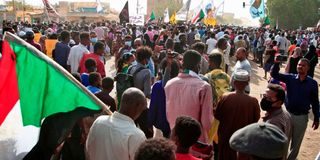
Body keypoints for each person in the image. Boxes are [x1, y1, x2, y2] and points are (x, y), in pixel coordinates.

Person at [271, 58, 319, 160]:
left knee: (296, 144)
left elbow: (315, 102)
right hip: (287, 115)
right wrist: (276, 63)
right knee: (283, 140)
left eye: (303, 65)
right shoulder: (290, 78)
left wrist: (316, 118)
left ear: (308, 68)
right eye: (298, 65)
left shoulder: (313, 83)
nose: (300, 67)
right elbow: (275, 75)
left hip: (301, 118)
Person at [165, 50, 213, 144]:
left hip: (175, 138)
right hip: (196, 141)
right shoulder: (204, 86)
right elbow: (206, 121)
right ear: (198, 65)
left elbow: (168, 113)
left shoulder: (170, 84)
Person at [86, 88, 147, 160]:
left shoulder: (99, 121)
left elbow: (88, 150)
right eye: (143, 109)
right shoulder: (137, 135)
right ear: (138, 106)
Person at [215, 69, 260, 160]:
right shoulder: (253, 101)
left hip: (226, 139)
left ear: (234, 82)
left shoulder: (225, 97)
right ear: (247, 83)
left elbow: (217, 116)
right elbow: (255, 120)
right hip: (243, 141)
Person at [260, 83, 293, 159]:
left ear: (279, 103)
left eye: (269, 99)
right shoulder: (286, 114)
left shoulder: (273, 123)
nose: (264, 100)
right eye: (264, 96)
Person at [128, 46, 153, 138]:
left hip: (129, 104)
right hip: (141, 106)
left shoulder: (131, 68)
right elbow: (147, 93)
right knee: (148, 133)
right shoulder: (147, 72)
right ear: (146, 59)